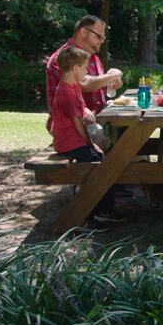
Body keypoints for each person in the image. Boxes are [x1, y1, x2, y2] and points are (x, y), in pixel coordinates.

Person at [50, 46, 125, 230]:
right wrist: (90, 144)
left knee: (105, 164)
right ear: (75, 69)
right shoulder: (66, 92)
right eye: (84, 67)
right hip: (69, 142)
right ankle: (87, 216)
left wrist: (87, 111)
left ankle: (103, 212)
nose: (87, 71)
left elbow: (80, 110)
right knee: (101, 169)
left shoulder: (72, 85)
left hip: (73, 139)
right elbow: (77, 125)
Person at [45, 15, 123, 148]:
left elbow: (98, 86)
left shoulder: (92, 58)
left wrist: (113, 82)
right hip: (73, 124)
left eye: (103, 37)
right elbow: (84, 84)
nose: (102, 41)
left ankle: (141, 166)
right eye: (99, 36)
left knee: (133, 135)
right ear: (83, 32)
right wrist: (110, 76)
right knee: (115, 144)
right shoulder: (63, 57)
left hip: (98, 117)